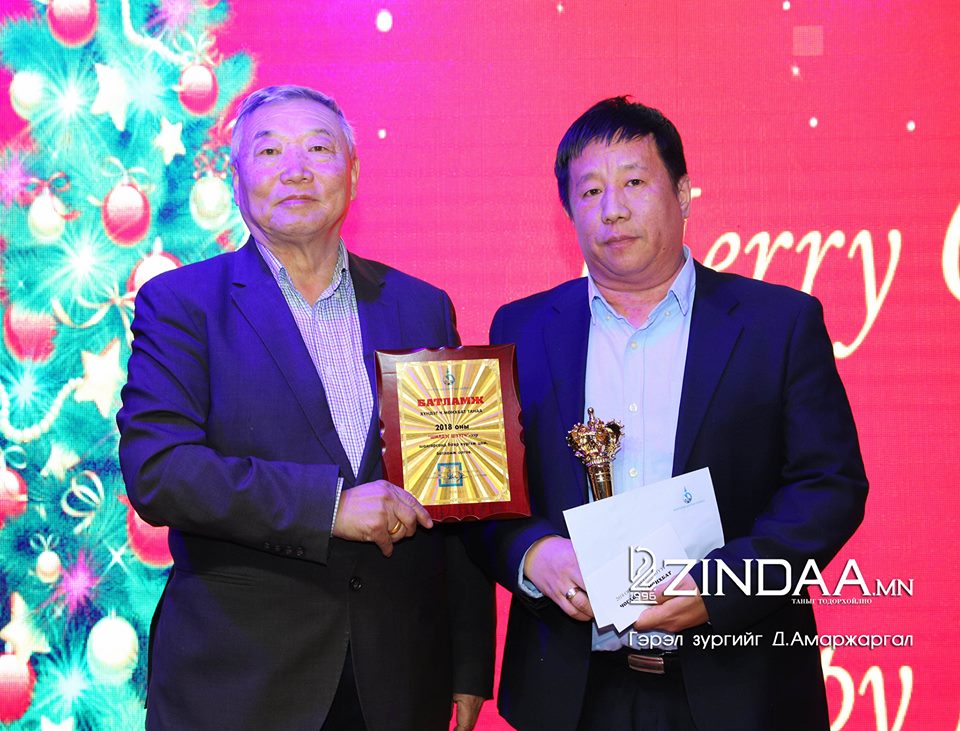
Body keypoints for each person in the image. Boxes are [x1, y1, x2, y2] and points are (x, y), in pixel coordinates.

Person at [467, 97, 868, 730]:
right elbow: (486, 495)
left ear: (682, 195)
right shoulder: (521, 328)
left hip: (740, 686)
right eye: (590, 191)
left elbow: (829, 487)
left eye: (634, 182)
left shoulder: (779, 323)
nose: (612, 209)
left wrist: (722, 588)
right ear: (568, 210)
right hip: (571, 693)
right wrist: (532, 552)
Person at [117, 85, 493, 731]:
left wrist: (467, 661)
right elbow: (161, 471)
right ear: (237, 177)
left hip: (399, 680)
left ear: (353, 173)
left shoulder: (420, 305)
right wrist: (329, 507)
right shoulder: (182, 303)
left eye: (319, 149)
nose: (296, 169)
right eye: (270, 151)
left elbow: (454, 486)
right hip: (238, 682)